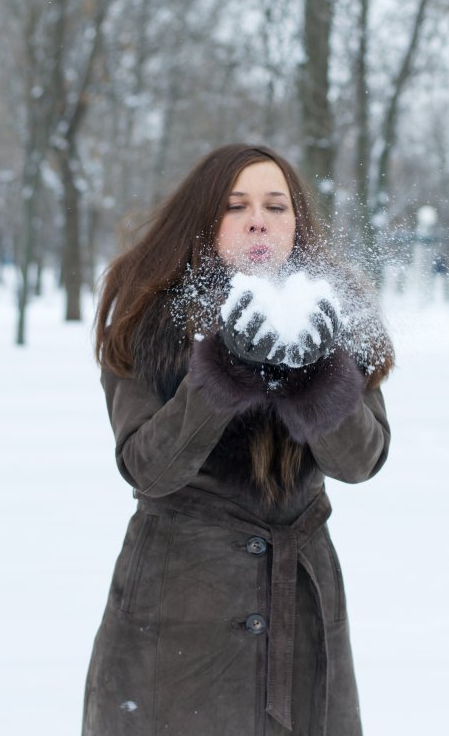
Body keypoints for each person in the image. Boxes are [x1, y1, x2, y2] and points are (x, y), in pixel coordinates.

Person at [82, 143, 395, 736]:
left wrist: (320, 377)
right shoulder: (150, 312)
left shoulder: (336, 309)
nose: (259, 219)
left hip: (300, 607)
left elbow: (360, 461)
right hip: (176, 608)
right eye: (236, 205)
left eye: (277, 206)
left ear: (296, 223)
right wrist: (220, 375)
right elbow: (149, 469)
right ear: (204, 220)